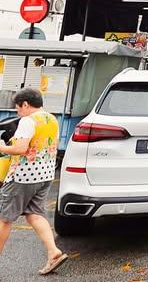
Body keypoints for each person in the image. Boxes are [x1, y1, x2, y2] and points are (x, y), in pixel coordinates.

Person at [0, 88, 67, 275]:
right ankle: (53, 252)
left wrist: (2, 147)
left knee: (4, 218)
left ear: (25, 104)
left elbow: (20, 149)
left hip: (22, 176)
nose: (17, 111)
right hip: (45, 175)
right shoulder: (51, 119)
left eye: (18, 107)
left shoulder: (27, 121)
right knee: (34, 214)